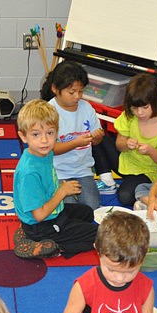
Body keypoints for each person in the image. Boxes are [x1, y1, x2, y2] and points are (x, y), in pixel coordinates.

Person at [12, 99, 98, 259]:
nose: (44, 140)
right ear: (23, 137)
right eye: (36, 134)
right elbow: (39, 215)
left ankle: (29, 233)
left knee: (88, 213)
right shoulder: (29, 172)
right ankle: (47, 245)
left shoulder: (43, 152)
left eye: (50, 133)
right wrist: (62, 192)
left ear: (56, 132)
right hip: (41, 224)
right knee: (97, 236)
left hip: (54, 211)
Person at [40, 60, 118, 209]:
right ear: (55, 89)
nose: (77, 96)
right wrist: (76, 142)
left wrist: (97, 137)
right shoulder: (48, 111)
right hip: (57, 171)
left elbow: (97, 139)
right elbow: (49, 149)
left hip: (82, 170)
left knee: (91, 207)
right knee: (68, 209)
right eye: (71, 92)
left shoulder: (86, 108)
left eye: (80, 91)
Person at [113, 74, 157, 207]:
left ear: (155, 102)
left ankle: (147, 199)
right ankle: (106, 178)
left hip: (146, 171)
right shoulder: (129, 116)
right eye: (135, 108)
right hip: (125, 160)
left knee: (125, 197)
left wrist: (151, 151)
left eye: (145, 107)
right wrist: (126, 144)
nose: (140, 113)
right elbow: (118, 145)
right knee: (98, 139)